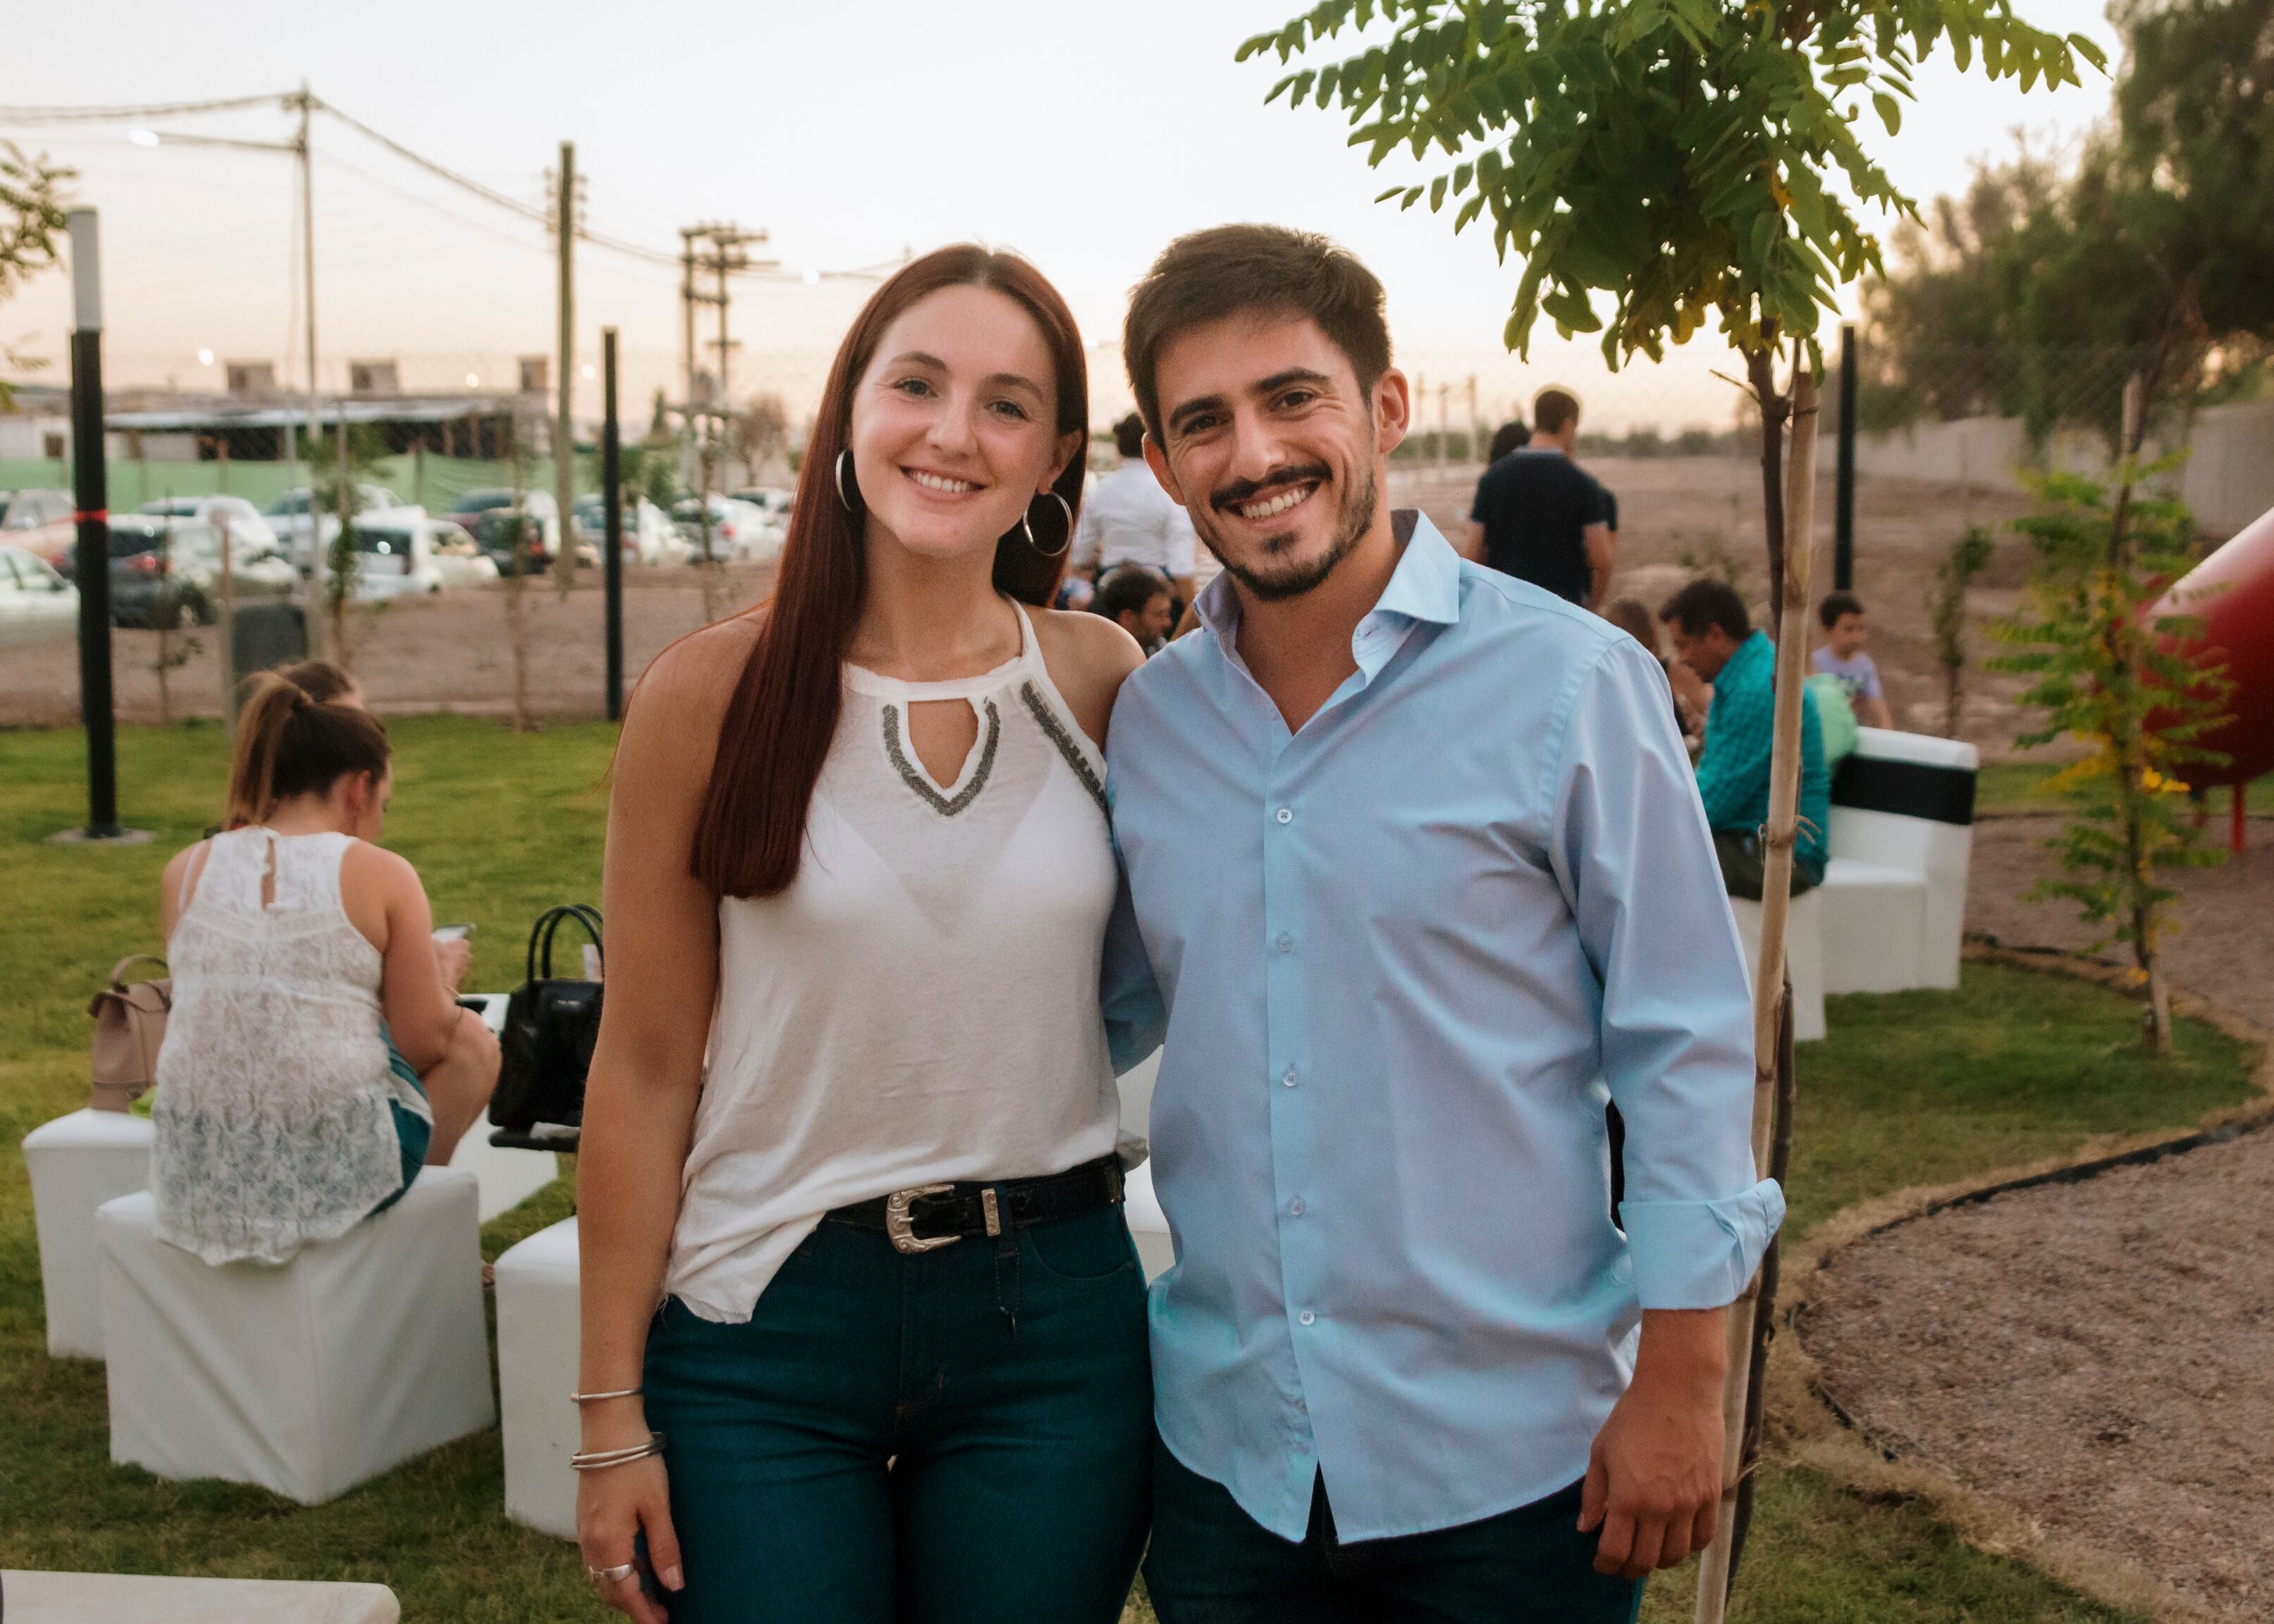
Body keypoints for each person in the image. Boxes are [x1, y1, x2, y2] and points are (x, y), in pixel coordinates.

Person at [1105, 223, 1782, 1623]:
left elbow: (1684, 1036)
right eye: (1203, 423)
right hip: (1230, 1466)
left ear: (1385, 409)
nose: (1254, 454)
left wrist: (1683, 1381)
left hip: (1514, 1475)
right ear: (1164, 468)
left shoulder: (1569, 685)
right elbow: (1083, 1009)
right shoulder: (1151, 725)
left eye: (1294, 398)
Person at [573, 246, 1154, 1624]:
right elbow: (645, 1066)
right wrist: (607, 1414)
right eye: (916, 384)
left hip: (1052, 1321)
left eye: (1005, 404)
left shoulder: (1102, 684)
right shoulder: (706, 695)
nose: (954, 431)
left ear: (1053, 456)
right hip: (767, 1320)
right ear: (847, 413)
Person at [150, 670, 500, 1265]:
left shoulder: (183, 871)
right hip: (328, 1170)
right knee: (470, 1039)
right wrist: (440, 980)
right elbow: (421, 1041)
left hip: (196, 1170)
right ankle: (398, 1248)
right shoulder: (382, 872)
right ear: (359, 789)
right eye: (384, 804)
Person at [1657, 578, 1831, 899]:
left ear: (1715, 635)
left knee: (1652, 858)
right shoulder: (1748, 675)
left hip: (1784, 855)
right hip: (1745, 837)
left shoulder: (1757, 688)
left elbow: (1713, 804)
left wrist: (1645, 823)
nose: (1680, 659)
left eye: (1683, 645)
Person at [1465, 387, 1615, 608]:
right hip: (1562, 610)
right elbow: (1602, 561)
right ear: (1568, 425)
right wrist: (1590, 612)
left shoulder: (1492, 479)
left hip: (1505, 608)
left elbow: (1473, 555)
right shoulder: (1584, 485)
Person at [1071, 410, 1200, 608]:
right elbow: (1181, 565)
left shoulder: (1101, 490)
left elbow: (1079, 553)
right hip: (1157, 594)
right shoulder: (1169, 492)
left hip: (1111, 592)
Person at [1812, 589, 1894, 728]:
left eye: (1861, 628)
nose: (1857, 636)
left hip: (1853, 734)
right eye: (1849, 630)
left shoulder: (1865, 666)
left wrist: (1888, 731)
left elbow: (1877, 704)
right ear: (1826, 631)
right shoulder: (1816, 663)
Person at [1093, 564, 1175, 653]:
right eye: (1159, 615)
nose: (1168, 623)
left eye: (1167, 614)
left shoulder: (1156, 645)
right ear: (1127, 618)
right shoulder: (1099, 659)